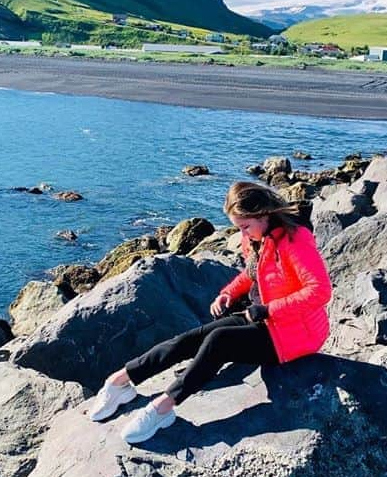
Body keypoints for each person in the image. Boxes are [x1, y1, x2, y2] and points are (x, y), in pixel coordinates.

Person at [89, 181, 333, 443]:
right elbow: (253, 273)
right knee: (193, 338)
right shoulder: (260, 236)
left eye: (245, 226)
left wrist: (266, 309)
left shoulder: (295, 240)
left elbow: (320, 291)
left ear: (263, 214)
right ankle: (120, 381)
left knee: (218, 343)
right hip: (265, 320)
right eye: (239, 227)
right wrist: (228, 293)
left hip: (294, 335)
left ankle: (163, 407)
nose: (243, 233)